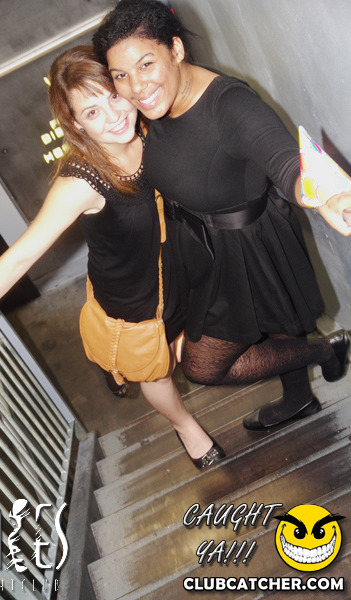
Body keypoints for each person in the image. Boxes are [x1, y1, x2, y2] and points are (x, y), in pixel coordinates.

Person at [0, 46, 224, 469]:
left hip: (180, 267)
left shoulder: (151, 127)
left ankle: (114, 364)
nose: (114, 117)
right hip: (132, 298)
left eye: (113, 96)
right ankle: (185, 425)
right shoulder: (81, 183)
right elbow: (20, 257)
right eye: (93, 112)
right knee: (155, 370)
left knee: (178, 345)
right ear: (76, 124)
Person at [93, 0, 351, 430]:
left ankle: (326, 351)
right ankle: (300, 399)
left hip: (245, 245)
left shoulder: (229, 104)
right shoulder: (156, 103)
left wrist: (327, 195)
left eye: (146, 64)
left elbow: (283, 158)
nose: (135, 86)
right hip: (199, 242)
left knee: (204, 366)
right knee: (282, 325)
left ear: (176, 49)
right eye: (121, 75)